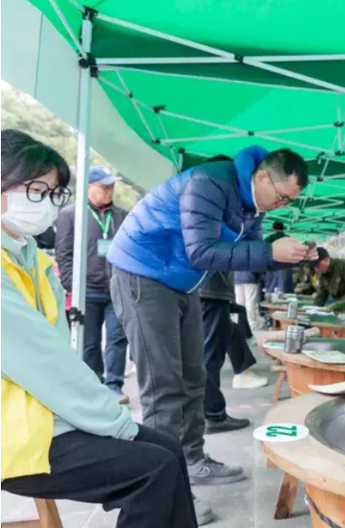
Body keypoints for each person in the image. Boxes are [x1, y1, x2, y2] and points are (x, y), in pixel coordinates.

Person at [0, 130, 201, 528]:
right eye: (36, 189)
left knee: (167, 449)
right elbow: (43, 360)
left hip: (41, 415)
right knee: (152, 470)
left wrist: (97, 417)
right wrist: (110, 421)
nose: (46, 203)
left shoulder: (30, 259)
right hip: (15, 431)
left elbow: (52, 358)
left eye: (54, 192)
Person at [107, 145, 315, 512]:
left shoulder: (252, 204)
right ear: (263, 176)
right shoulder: (209, 182)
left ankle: (190, 462)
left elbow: (248, 253)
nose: (282, 205)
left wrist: (288, 255)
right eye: (282, 196)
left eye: (289, 201)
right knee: (163, 386)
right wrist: (269, 252)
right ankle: (163, 498)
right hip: (143, 272)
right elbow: (202, 251)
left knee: (194, 376)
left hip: (182, 281)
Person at [55, 166, 130, 404]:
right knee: (89, 342)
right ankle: (94, 384)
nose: (109, 191)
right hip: (85, 290)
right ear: (89, 187)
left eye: (112, 186)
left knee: (118, 338)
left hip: (116, 288)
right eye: (104, 187)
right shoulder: (70, 215)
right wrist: (71, 285)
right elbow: (63, 253)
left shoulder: (122, 216)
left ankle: (114, 385)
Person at [199, 271, 268, 435]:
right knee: (211, 354)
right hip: (210, 290)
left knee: (228, 333)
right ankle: (213, 416)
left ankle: (210, 413)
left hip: (206, 289)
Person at [262, 221, 294, 295]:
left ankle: (269, 298)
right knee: (284, 286)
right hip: (286, 265)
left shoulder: (269, 238)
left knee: (271, 286)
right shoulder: (288, 238)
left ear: (274, 229)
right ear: (283, 228)